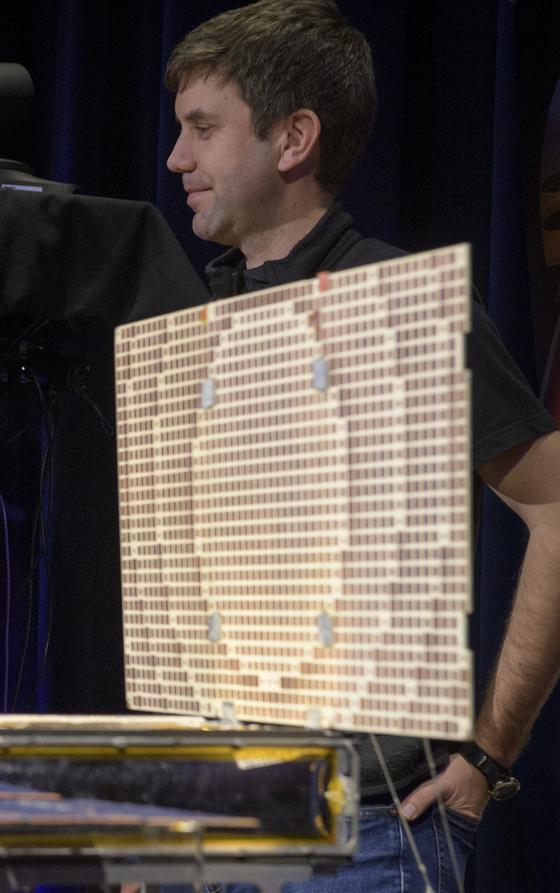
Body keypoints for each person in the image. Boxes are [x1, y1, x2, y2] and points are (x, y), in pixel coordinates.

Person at [161, 1, 560, 890]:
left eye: (201, 129)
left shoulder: (403, 310)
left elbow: (557, 508)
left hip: (367, 838)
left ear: (292, 138)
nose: (176, 158)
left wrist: (488, 757)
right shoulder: (197, 324)